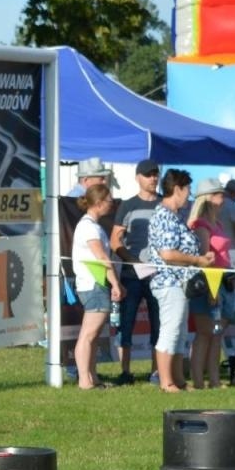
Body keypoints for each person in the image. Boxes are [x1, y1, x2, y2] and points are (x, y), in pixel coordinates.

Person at [145, 168, 210, 393]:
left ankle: (179, 380)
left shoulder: (176, 216)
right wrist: (197, 260)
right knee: (170, 331)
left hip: (179, 284)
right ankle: (166, 382)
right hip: (168, 282)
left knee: (180, 333)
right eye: (188, 190)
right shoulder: (163, 215)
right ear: (177, 189)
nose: (189, 196)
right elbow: (168, 254)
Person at [109, 160, 161, 383]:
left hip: (158, 275)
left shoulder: (164, 204)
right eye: (148, 175)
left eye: (155, 174)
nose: (152, 178)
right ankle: (125, 371)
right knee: (126, 324)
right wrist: (132, 261)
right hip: (132, 276)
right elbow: (114, 240)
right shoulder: (127, 205)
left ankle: (156, 371)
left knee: (159, 325)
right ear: (137, 177)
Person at [70, 183, 123, 389]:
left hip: (95, 283)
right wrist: (115, 283)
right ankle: (84, 380)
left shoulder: (93, 225)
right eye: (109, 201)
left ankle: (93, 377)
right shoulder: (89, 227)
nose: (111, 205)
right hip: (93, 283)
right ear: (99, 203)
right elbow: (101, 257)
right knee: (88, 335)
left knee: (93, 336)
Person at [187, 179, 232, 389]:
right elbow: (205, 257)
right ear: (208, 198)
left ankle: (214, 379)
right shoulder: (200, 225)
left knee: (216, 333)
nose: (222, 199)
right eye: (218, 194)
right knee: (204, 332)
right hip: (207, 282)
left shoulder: (219, 224)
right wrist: (211, 288)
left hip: (223, 280)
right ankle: (198, 380)